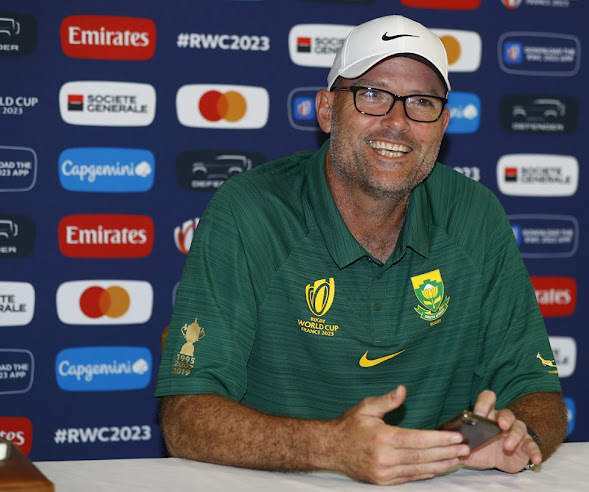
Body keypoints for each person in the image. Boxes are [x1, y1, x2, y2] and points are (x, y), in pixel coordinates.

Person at [156, 15, 567, 486]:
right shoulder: (251, 212)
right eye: (372, 95)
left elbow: (537, 392)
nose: (397, 122)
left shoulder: (474, 215)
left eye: (422, 102)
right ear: (327, 110)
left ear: (443, 125)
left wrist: (502, 436)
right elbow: (185, 418)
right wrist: (332, 448)